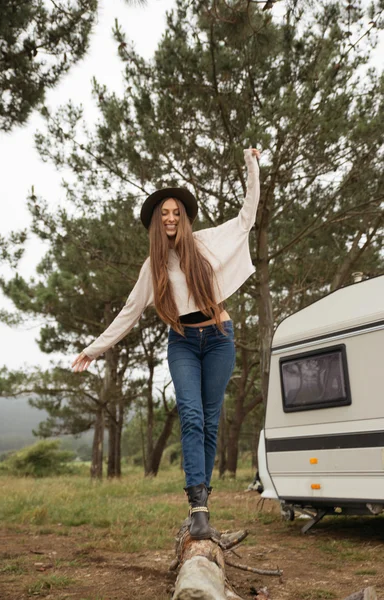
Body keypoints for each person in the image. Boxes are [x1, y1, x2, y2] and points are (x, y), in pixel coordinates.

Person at [72, 147, 261, 539]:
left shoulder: (206, 244)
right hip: (183, 344)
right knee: (190, 417)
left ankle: (204, 503)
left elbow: (246, 218)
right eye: (165, 214)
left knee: (210, 423)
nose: (171, 218)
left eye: (177, 212)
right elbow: (129, 312)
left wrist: (251, 166)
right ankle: (198, 508)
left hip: (220, 337)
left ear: (184, 218)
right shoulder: (153, 266)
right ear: (158, 223)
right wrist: (94, 348)